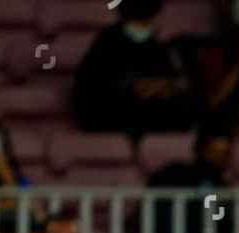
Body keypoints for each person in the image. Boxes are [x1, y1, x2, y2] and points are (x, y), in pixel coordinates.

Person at [72, 0, 195, 136]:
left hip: (152, 114)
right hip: (114, 114)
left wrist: (161, 88)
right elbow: (90, 90)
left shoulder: (159, 46)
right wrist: (132, 87)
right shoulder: (107, 43)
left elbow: (169, 81)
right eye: (137, 21)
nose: (142, 26)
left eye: (146, 21)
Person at [147, 123, 235, 233]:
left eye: (224, 155)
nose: (219, 160)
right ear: (200, 151)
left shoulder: (217, 188)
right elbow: (162, 227)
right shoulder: (173, 177)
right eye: (214, 153)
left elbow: (218, 219)